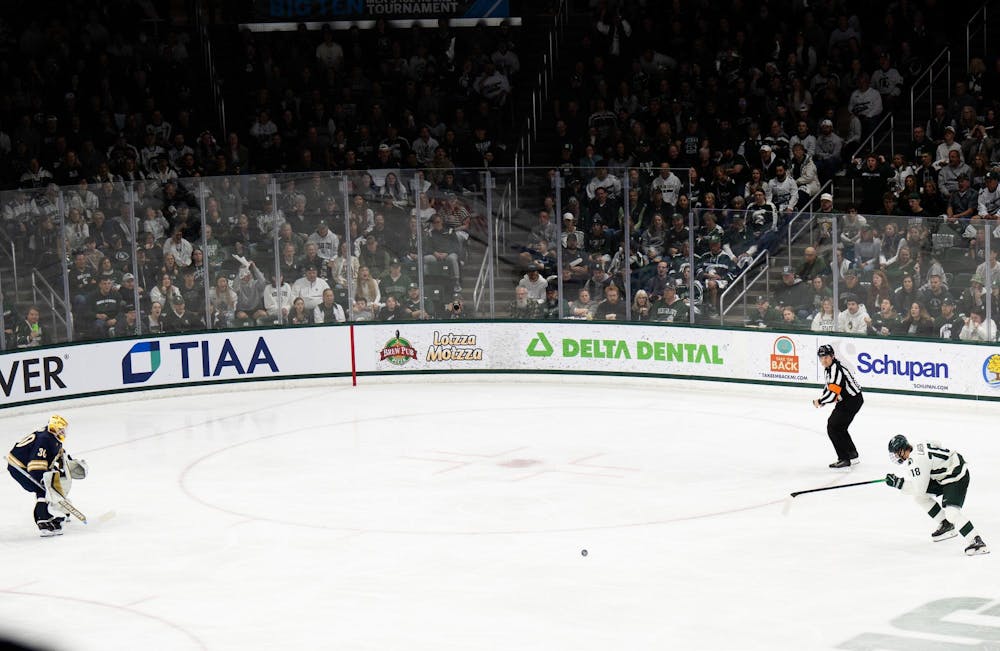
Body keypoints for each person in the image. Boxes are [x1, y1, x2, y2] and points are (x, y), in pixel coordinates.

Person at [885, 435, 988, 555]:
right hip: (947, 472)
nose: (896, 456)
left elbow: (919, 489)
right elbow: (937, 443)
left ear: (902, 450)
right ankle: (946, 524)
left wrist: (899, 483)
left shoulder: (916, 461)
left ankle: (977, 542)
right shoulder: (918, 443)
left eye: (897, 453)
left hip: (956, 476)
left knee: (951, 513)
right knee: (919, 498)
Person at [7, 415, 88, 536]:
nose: (63, 432)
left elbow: (57, 452)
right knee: (44, 489)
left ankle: (48, 515)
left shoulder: (51, 436)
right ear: (53, 428)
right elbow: (35, 465)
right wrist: (43, 480)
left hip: (25, 464)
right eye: (60, 429)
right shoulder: (44, 439)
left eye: (63, 429)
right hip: (19, 467)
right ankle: (43, 522)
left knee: (49, 484)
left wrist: (68, 461)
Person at [813, 344, 863, 469]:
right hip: (849, 400)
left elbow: (832, 394)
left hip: (852, 401)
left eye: (826, 357)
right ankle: (851, 453)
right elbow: (828, 387)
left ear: (832, 356)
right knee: (839, 427)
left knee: (832, 426)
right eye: (821, 358)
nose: (823, 360)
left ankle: (844, 458)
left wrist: (820, 401)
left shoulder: (836, 369)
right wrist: (823, 399)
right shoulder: (829, 368)